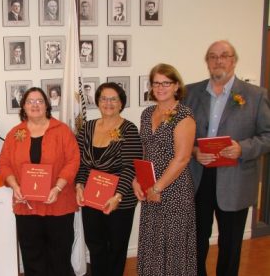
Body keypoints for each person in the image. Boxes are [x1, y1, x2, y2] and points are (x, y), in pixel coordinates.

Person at [182, 40, 270, 276]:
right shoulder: (190, 93)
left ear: (234, 60)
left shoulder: (256, 95)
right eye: (212, 56)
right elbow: (179, 134)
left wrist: (242, 148)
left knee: (230, 245)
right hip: (199, 176)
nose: (218, 60)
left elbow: (267, 136)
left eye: (224, 55)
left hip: (236, 179)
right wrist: (193, 151)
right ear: (207, 62)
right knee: (197, 241)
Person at [0, 87, 80, 276]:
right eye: (30, 101)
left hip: (59, 203)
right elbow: (4, 164)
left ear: (47, 105)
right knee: (32, 256)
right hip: (26, 205)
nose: (35, 105)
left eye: (40, 101)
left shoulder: (61, 130)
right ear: (23, 106)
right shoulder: (14, 133)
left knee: (59, 257)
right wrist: (15, 186)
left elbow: (73, 161)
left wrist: (58, 187)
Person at [132, 63, 197, 275]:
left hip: (174, 192)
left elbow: (182, 158)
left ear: (176, 86)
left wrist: (158, 188)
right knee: (152, 243)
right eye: (156, 83)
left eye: (166, 83)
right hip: (150, 188)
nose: (160, 87)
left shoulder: (184, 115)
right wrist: (137, 180)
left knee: (173, 246)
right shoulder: (147, 113)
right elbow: (144, 150)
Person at [75, 82, 143, 276]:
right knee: (95, 245)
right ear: (97, 101)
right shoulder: (87, 128)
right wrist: (79, 185)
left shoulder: (129, 130)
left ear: (121, 103)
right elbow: (81, 163)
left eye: (113, 99)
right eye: (104, 98)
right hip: (91, 197)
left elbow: (130, 167)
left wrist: (118, 196)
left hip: (120, 200)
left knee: (116, 247)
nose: (108, 103)